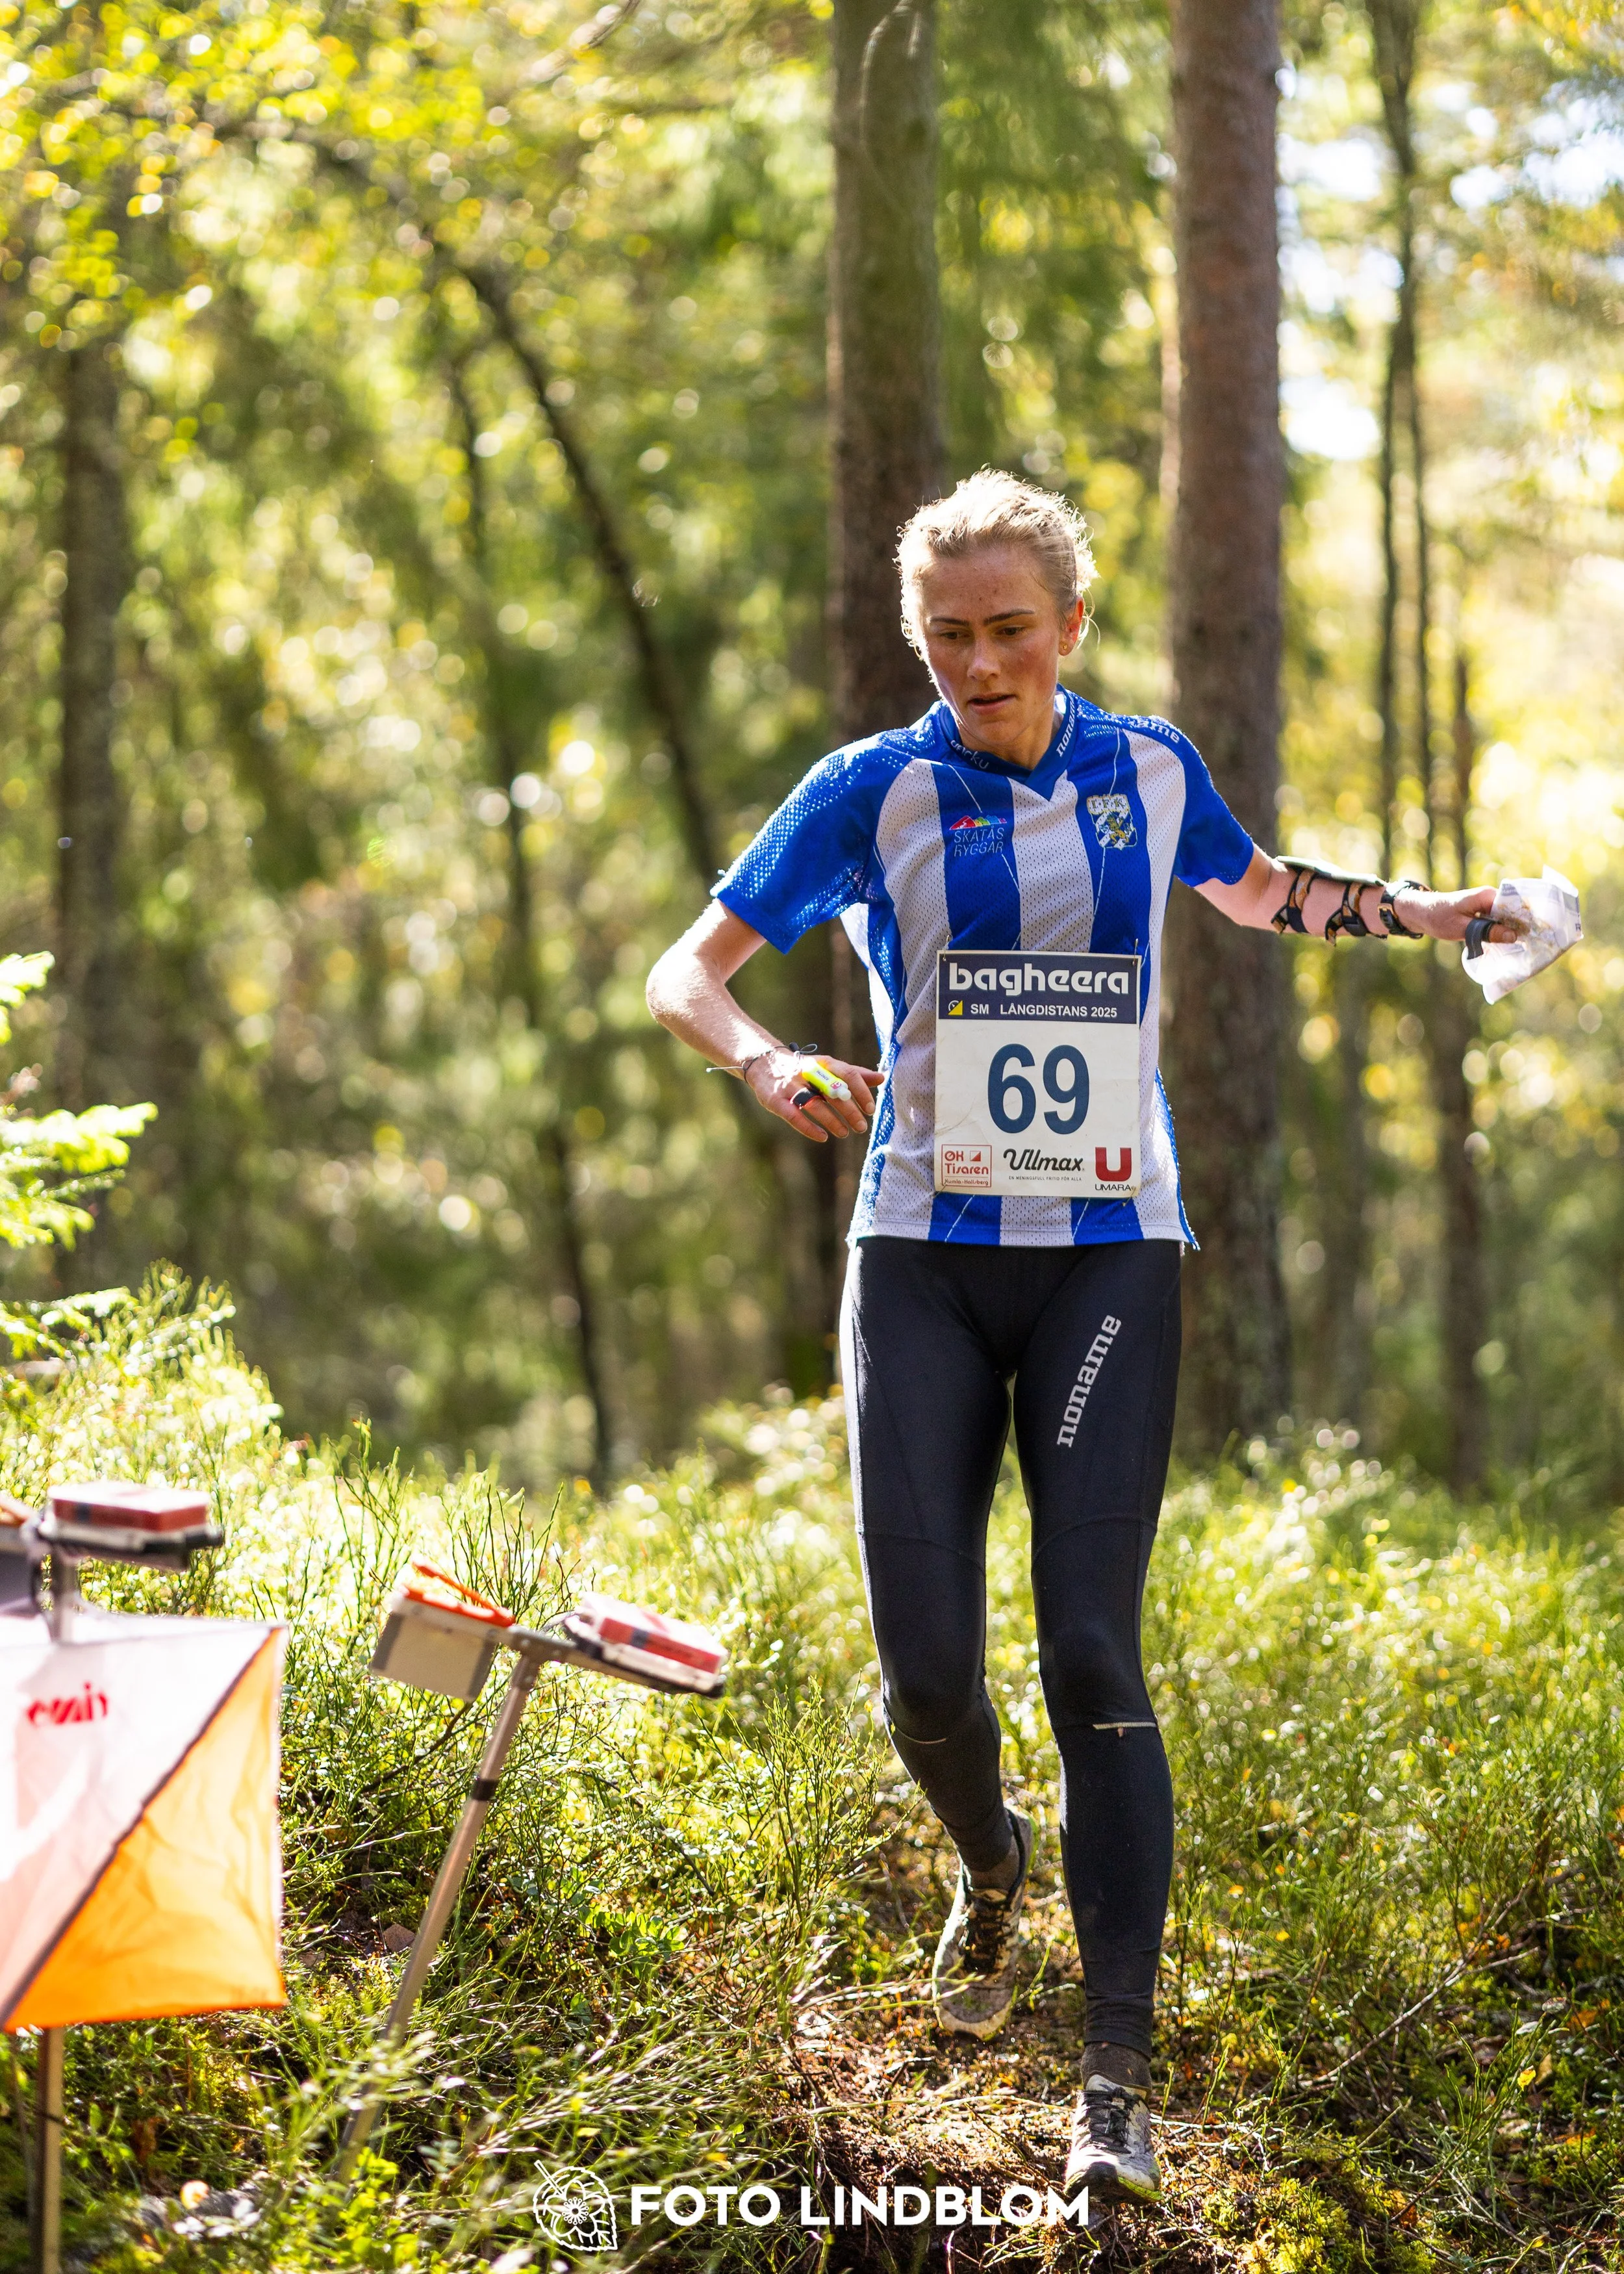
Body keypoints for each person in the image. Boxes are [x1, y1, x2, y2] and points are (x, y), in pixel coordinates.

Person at [645, 469, 1516, 2206]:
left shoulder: (1147, 772)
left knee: (1090, 1651)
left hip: (1111, 1252)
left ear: (1069, 627)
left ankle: (1110, 2076)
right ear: (920, 639)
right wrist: (766, 1062)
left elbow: (1263, 894)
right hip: (920, 1253)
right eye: (947, 633)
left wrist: (1439, 917)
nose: (977, 660)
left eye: (1007, 629)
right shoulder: (867, 790)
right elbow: (689, 967)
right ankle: (987, 1854)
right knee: (925, 1673)